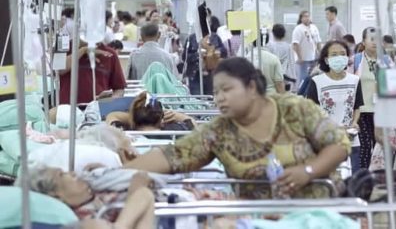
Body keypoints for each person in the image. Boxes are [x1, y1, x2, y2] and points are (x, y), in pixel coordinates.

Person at [124, 57, 350, 199]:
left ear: (251, 87)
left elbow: (339, 145)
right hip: (257, 220)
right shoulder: (219, 130)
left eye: (226, 90)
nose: (219, 99)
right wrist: (116, 171)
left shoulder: (294, 109)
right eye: (216, 93)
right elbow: (173, 156)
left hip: (317, 212)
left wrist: (308, 171)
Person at [25, 166, 155, 228]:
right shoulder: (76, 219)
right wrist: (133, 193)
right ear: (54, 192)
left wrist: (112, 169)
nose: (73, 173)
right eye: (62, 174)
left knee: (144, 193)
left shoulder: (97, 194)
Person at [306, 40, 363, 173]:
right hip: (325, 141)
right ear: (326, 59)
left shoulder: (354, 80)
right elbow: (311, 111)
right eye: (334, 54)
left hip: (351, 140)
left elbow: (357, 106)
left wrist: (354, 123)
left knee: (352, 180)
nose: (339, 57)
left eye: (342, 54)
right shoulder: (317, 82)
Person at [353, 27, 391, 170]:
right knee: (364, 148)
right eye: (372, 39)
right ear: (363, 41)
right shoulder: (355, 60)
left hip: (381, 111)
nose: (375, 42)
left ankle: (379, 181)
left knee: (380, 148)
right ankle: (362, 182)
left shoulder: (387, 61)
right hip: (361, 111)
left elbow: (393, 88)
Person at [58, 37, 126, 105]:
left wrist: (110, 101)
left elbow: (119, 89)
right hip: (68, 109)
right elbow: (60, 69)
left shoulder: (110, 54)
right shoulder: (64, 47)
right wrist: (83, 50)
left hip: (98, 109)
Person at [105, 92, 195, 133]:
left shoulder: (123, 134)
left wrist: (134, 115)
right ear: (161, 119)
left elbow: (112, 115)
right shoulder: (177, 132)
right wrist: (175, 115)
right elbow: (191, 122)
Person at [183, 15, 227, 96]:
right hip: (195, 75)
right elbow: (184, 57)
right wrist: (197, 54)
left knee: (211, 97)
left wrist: (217, 52)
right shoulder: (191, 38)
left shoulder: (215, 37)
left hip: (212, 74)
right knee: (197, 97)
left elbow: (224, 51)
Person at [292, 10, 322, 89]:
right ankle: (301, 93)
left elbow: (318, 41)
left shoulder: (314, 27)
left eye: (308, 16)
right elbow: (295, 44)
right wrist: (300, 57)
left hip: (314, 58)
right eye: (304, 16)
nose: (307, 18)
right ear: (301, 18)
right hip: (303, 59)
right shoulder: (298, 29)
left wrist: (321, 54)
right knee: (303, 78)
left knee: (314, 77)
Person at [266, 24, 297, 91]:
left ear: (273, 33)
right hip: (285, 77)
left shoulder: (270, 46)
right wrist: (294, 78)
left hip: (274, 76)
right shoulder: (288, 46)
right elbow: (291, 62)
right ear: (284, 34)